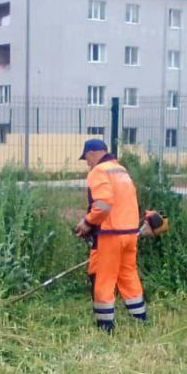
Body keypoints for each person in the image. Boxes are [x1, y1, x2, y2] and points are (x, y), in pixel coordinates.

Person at [74, 139, 146, 333]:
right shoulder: (121, 170)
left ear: (91, 153)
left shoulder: (98, 171)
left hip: (110, 234)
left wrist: (88, 223)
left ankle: (105, 327)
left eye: (86, 159)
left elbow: (104, 204)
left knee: (104, 279)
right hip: (130, 233)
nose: (87, 163)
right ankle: (140, 320)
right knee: (128, 275)